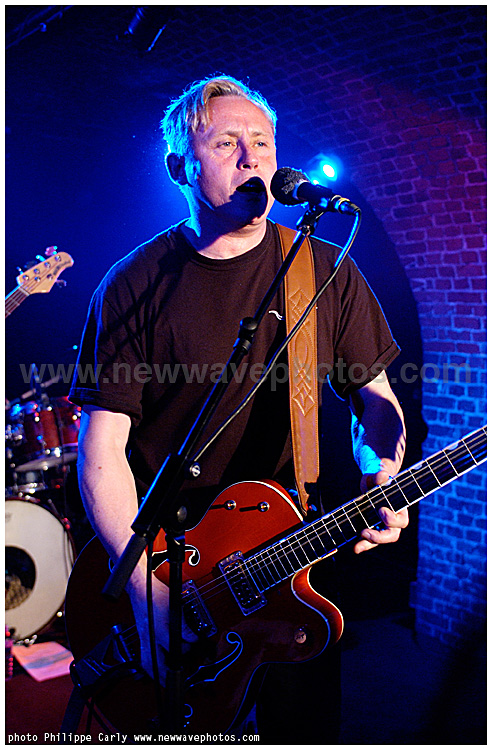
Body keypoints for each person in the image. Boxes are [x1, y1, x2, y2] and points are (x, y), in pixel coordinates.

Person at [69, 74, 407, 742]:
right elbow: (102, 450)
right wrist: (145, 591)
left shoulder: (322, 268)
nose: (252, 158)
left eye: (263, 142)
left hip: (288, 558)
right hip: (171, 559)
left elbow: (376, 401)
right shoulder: (134, 282)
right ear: (180, 168)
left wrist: (382, 470)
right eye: (227, 143)